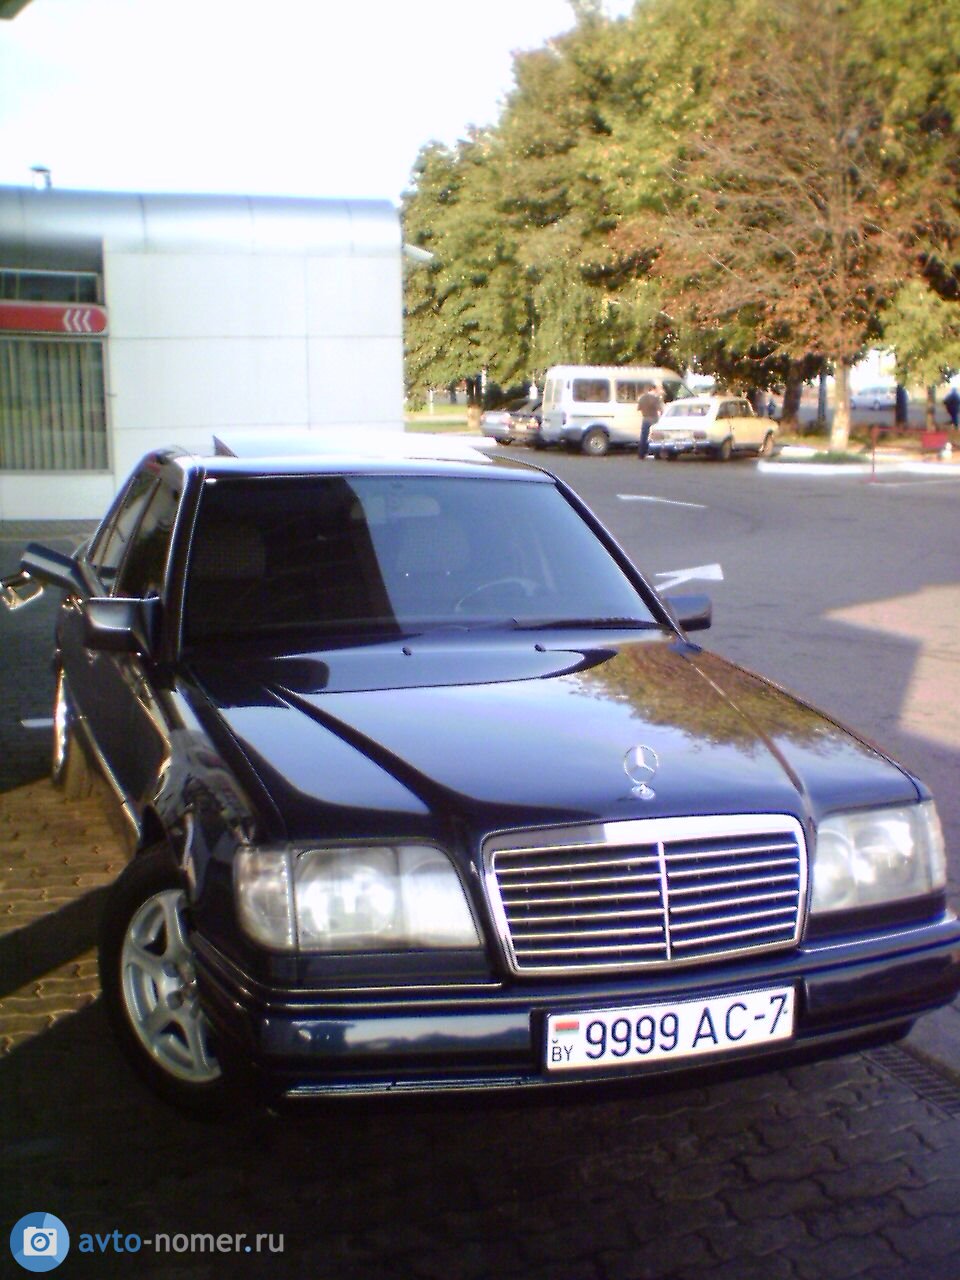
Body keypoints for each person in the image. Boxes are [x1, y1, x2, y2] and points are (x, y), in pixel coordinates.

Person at [637, 382, 664, 458]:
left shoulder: (642, 398)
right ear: (653, 389)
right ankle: (654, 453)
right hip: (654, 418)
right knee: (654, 437)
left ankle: (641, 454)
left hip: (645, 418)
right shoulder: (655, 398)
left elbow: (639, 408)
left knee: (643, 436)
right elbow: (660, 409)